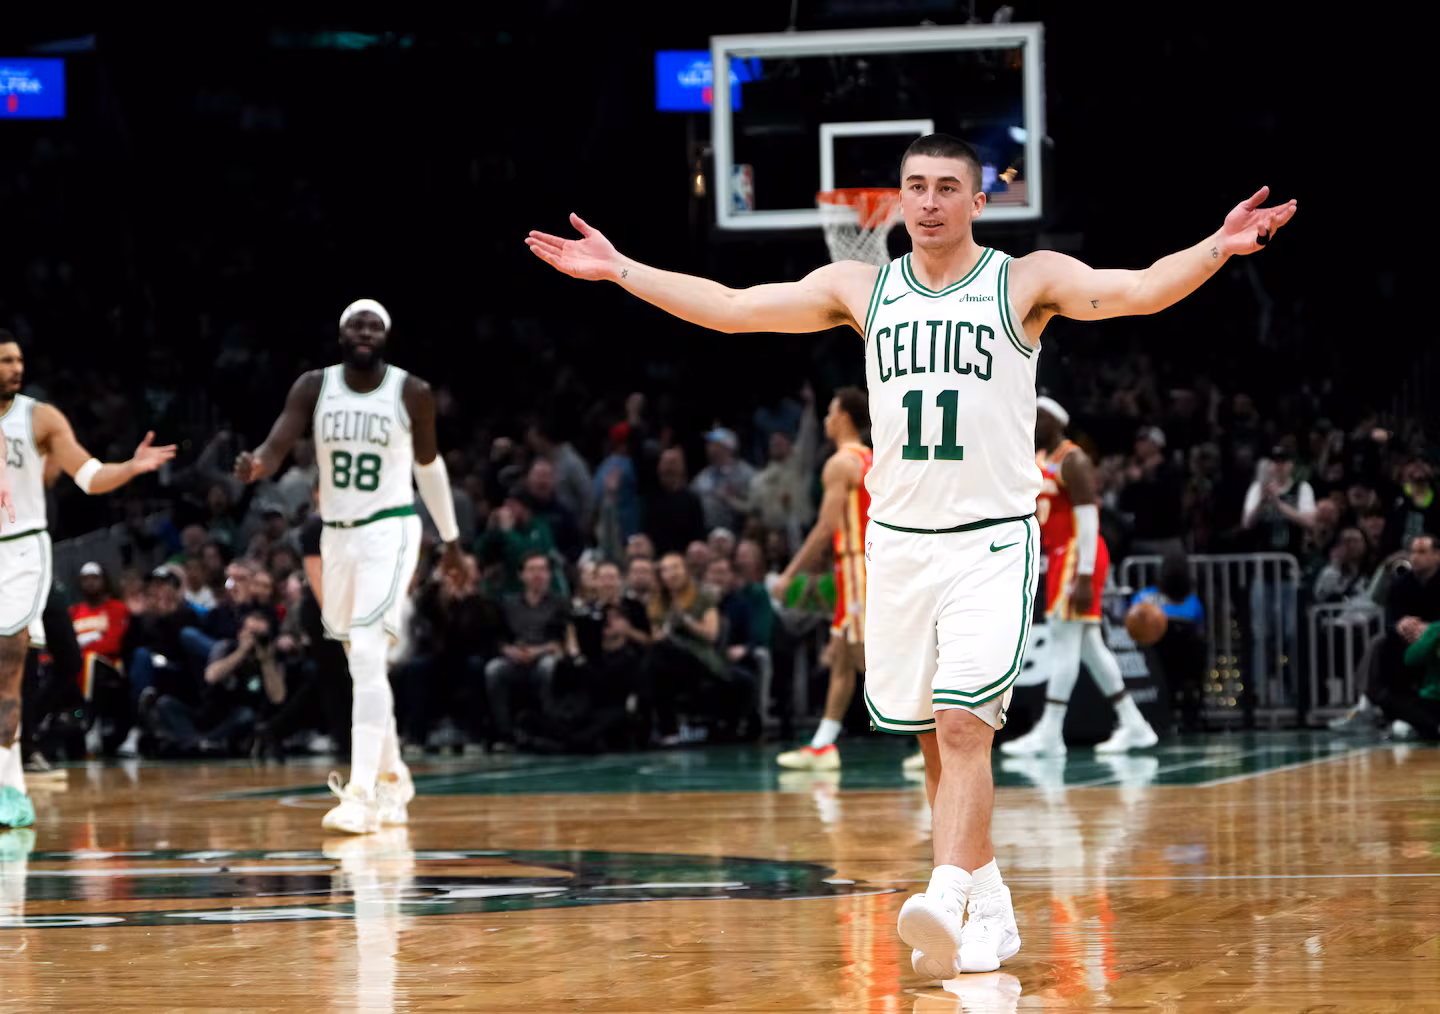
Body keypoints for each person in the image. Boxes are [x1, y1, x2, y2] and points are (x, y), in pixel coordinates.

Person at [527, 132, 1296, 976]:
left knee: (965, 726)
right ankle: (991, 910)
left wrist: (1218, 247)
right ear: (899, 200)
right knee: (936, 742)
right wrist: (622, 269)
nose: (929, 201)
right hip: (898, 544)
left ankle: (945, 894)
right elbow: (734, 306)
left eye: (946, 187)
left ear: (978, 200)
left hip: (991, 539)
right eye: (916, 186)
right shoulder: (862, 287)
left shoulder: (1023, 280)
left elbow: (1141, 289)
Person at [234, 300, 465, 835]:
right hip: (336, 534)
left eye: (374, 325)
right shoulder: (314, 387)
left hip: (390, 527)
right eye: (356, 324)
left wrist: (451, 540)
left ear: (386, 335)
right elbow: (278, 444)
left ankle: (359, 794)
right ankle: (393, 775)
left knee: (365, 651)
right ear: (341, 334)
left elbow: (429, 467)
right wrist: (257, 465)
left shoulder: (411, 392)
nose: (364, 331)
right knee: (361, 661)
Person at [1, 331, 175, 829]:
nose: (16, 368)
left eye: (18, 359)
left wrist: (131, 467)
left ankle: (10, 789)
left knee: (8, 665)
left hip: (21, 549)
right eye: (5, 361)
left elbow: (89, 475)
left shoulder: (40, 417)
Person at [1002, 398, 1158, 758]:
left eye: (1040, 418)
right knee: (1090, 646)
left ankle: (1050, 731)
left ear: (1057, 422)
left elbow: (1088, 518)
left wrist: (1085, 574)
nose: (1033, 423)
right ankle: (1134, 724)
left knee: (1064, 641)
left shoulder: (1073, 460)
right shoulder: (1042, 458)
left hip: (1077, 554)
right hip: (1062, 554)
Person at [772, 387, 882, 770]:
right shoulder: (874, 458)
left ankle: (930, 736)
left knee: (869, 662)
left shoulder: (839, 463)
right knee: (840, 659)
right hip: (872, 563)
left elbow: (824, 528)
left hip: (855, 566)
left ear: (844, 418)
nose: (826, 420)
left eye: (831, 412)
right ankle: (823, 745)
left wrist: (788, 575)